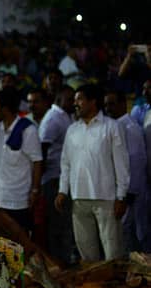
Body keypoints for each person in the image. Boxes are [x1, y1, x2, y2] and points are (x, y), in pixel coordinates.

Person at [55, 84, 130, 262]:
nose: (75, 104)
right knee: (87, 253)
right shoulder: (72, 130)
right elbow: (65, 163)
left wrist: (121, 197)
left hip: (106, 198)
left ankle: (114, 280)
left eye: (79, 99)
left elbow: (122, 164)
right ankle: (93, 281)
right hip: (79, 198)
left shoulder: (112, 127)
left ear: (93, 102)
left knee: (113, 252)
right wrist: (62, 191)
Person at [0, 87, 43, 232]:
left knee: (19, 239)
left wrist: (35, 191)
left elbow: (37, 162)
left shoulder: (27, 130)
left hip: (18, 198)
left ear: (5, 109)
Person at [104, 90, 148, 253]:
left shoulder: (129, 128)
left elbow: (136, 161)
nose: (108, 108)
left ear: (123, 104)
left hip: (130, 191)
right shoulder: (116, 125)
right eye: (106, 105)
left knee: (129, 232)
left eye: (112, 104)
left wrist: (129, 191)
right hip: (122, 191)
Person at [39, 86, 76, 265]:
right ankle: (58, 261)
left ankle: (63, 258)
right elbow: (43, 147)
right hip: (53, 177)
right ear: (59, 99)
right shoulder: (53, 117)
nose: (73, 103)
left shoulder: (66, 115)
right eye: (70, 99)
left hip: (62, 176)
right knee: (57, 222)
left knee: (64, 222)